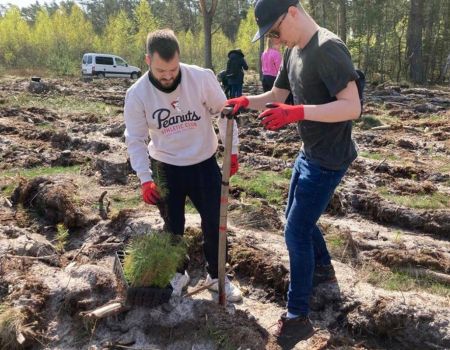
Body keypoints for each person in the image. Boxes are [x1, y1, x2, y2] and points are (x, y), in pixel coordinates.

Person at [226, 0, 362, 345]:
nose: (276, 37)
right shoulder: (294, 53)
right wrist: (245, 100)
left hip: (329, 158)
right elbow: (276, 94)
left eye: (276, 29)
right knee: (295, 219)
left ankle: (297, 316)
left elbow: (352, 107)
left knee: (295, 232)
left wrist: (297, 112)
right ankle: (323, 271)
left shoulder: (327, 48)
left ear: (292, 12)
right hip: (309, 153)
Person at [123, 29, 242, 302]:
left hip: (204, 163)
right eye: (161, 70)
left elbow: (226, 113)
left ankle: (216, 276)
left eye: (173, 69)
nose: (168, 76)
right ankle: (179, 273)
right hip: (166, 166)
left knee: (214, 221)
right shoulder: (137, 94)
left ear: (179, 60)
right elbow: (136, 139)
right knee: (173, 225)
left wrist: (231, 149)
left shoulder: (201, 78)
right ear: (147, 61)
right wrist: (144, 178)